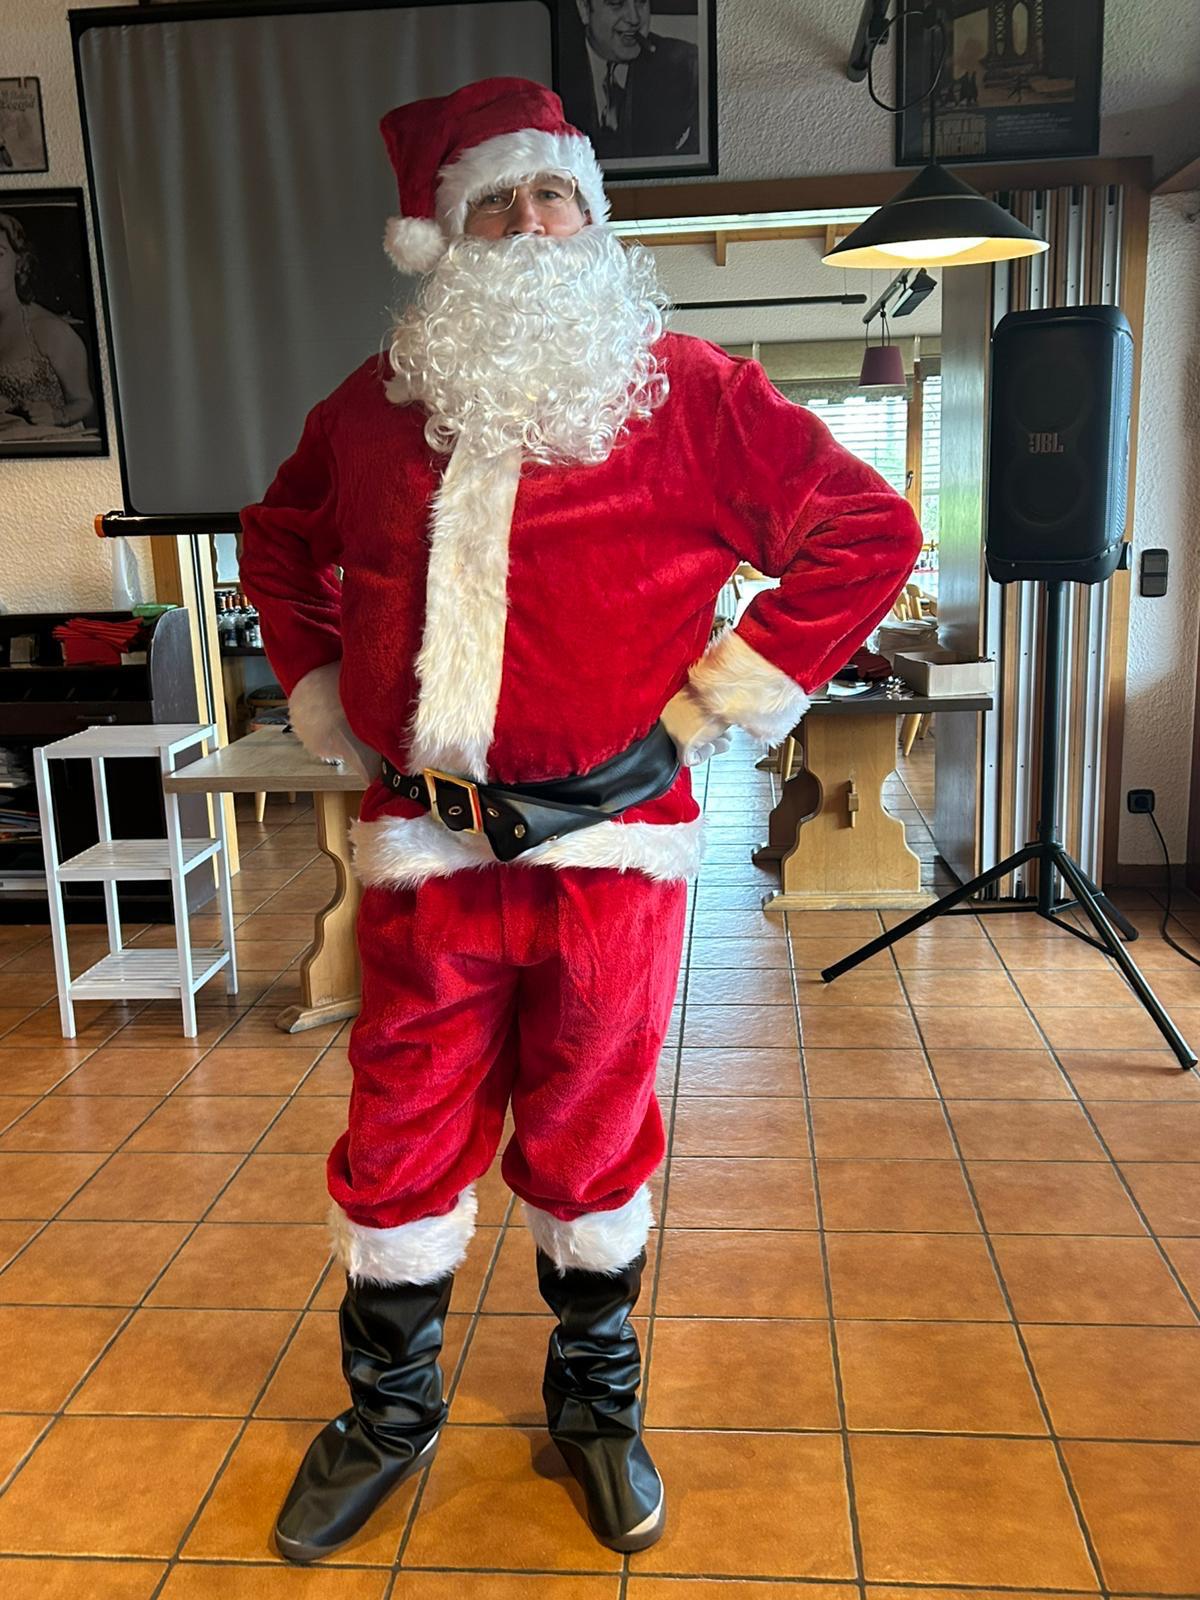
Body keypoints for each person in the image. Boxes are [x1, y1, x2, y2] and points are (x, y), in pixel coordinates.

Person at [239, 75, 922, 1566]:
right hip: (427, 857)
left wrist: (716, 699)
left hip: (615, 860)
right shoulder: (369, 410)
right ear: (444, 238)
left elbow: (870, 532)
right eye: (497, 203)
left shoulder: (694, 394)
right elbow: (277, 539)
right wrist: (317, 684)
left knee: (595, 1127)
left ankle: (596, 1408)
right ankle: (389, 1413)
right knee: (399, 1126)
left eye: (556, 195)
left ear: (594, 217)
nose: (534, 223)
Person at [557, 0, 700, 159]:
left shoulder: (686, 67)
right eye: (616, 3)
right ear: (584, 8)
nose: (634, 19)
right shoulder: (552, 64)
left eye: (641, 2)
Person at [0, 212, 95, 441]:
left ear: (19, 263)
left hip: (45, 446)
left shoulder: (48, 329)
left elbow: (84, 401)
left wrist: (56, 415)